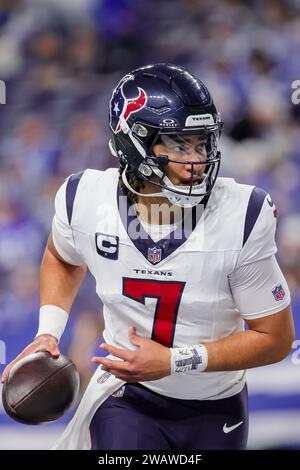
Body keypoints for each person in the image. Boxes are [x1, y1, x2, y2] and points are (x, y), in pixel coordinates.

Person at [2, 63, 295, 450]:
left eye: (202, 142)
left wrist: (176, 360)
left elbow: (275, 339)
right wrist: (48, 331)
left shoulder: (241, 214)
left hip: (214, 406)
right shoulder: (87, 200)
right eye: (178, 143)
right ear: (134, 142)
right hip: (127, 398)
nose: (196, 159)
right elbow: (61, 255)